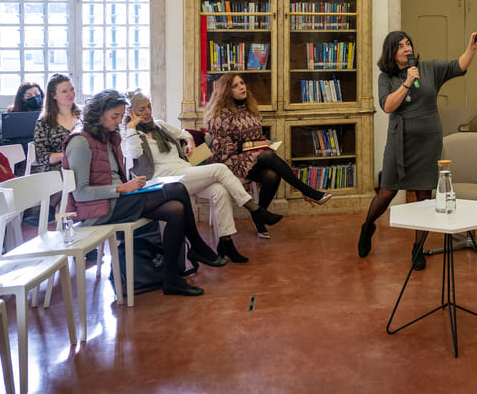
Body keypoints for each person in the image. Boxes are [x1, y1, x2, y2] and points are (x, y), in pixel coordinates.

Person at [63, 89, 227, 297]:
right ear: (97, 115)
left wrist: (126, 187)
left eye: (121, 116)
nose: (118, 121)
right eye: (115, 116)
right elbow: (80, 194)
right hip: (99, 211)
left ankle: (171, 279)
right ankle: (196, 245)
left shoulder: (108, 137)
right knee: (177, 188)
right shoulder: (80, 142)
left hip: (117, 201)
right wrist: (121, 188)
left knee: (175, 209)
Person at [358, 29, 477, 269]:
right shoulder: (386, 77)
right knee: (387, 192)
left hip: (428, 141)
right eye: (401, 46)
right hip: (399, 141)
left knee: (424, 196)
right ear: (391, 53)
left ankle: (418, 248)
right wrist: (406, 82)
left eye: (408, 44)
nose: (407, 48)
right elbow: (388, 106)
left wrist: (472, 49)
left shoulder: (429, 69)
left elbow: (459, 66)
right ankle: (367, 226)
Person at [122, 91, 282, 264]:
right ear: (130, 113)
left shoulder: (159, 125)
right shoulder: (129, 136)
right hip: (162, 180)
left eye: (149, 107)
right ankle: (255, 210)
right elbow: (135, 153)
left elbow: (185, 134)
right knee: (219, 169)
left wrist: (190, 143)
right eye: (141, 109)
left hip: (183, 171)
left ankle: (226, 242)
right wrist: (132, 127)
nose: (147, 112)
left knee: (220, 190)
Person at [204, 73, 332, 238]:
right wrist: (251, 147)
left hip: (251, 159)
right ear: (225, 91)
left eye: (242, 83)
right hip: (228, 162)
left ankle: (259, 215)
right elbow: (219, 149)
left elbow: (256, 136)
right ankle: (307, 191)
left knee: (272, 175)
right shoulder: (221, 114)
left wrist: (265, 144)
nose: (242, 87)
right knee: (267, 156)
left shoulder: (250, 108)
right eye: (235, 85)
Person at [32, 74, 81, 176]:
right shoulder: (44, 121)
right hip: (57, 172)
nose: (70, 94)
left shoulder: (84, 115)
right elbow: (41, 156)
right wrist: (67, 155)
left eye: (72, 89)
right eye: (64, 91)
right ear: (53, 95)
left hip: (84, 166)